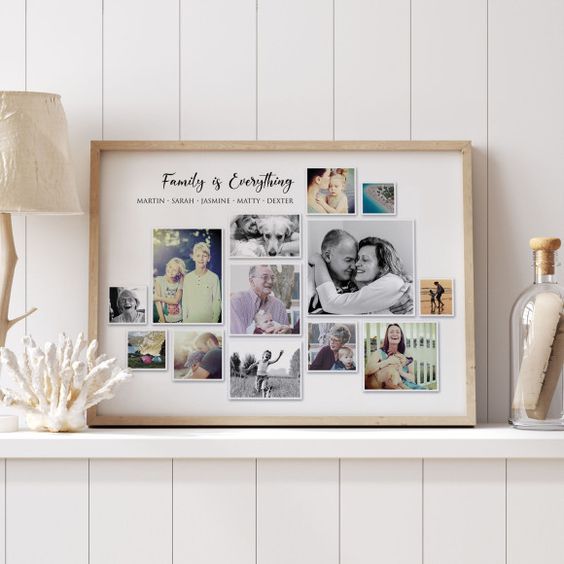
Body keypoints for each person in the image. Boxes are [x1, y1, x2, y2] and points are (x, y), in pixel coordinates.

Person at [310, 236, 413, 315]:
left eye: (365, 259)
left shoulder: (392, 284)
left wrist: (318, 261)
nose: (356, 264)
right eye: (357, 259)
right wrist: (315, 285)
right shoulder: (373, 287)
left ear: (383, 267)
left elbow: (331, 303)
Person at [231, 265, 293, 334]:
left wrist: (287, 332)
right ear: (252, 281)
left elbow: (286, 339)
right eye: (265, 277)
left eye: (272, 278)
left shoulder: (279, 306)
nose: (270, 282)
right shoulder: (236, 302)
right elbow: (238, 340)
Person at [308, 230, 358, 314]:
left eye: (355, 260)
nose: (353, 266)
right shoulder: (311, 284)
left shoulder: (354, 285)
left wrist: (318, 260)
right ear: (328, 256)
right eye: (348, 260)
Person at [365, 324, 423, 390]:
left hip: (408, 385)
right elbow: (367, 371)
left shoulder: (407, 354)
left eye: (397, 332)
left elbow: (412, 378)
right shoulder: (379, 352)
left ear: (401, 336)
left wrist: (401, 372)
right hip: (391, 387)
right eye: (391, 332)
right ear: (387, 336)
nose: (394, 334)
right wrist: (388, 361)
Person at [182, 242, 222, 323]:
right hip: (190, 321)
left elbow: (217, 302)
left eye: (204, 256)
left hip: (208, 321)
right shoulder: (187, 278)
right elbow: (185, 301)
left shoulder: (214, 278)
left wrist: (214, 322)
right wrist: (185, 321)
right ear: (193, 257)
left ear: (209, 258)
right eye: (198, 256)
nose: (201, 259)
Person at [153, 257, 186, 323]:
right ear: (167, 265)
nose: (170, 271)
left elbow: (176, 301)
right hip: (165, 320)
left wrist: (158, 298)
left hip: (179, 319)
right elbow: (157, 302)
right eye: (170, 267)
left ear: (179, 273)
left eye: (174, 270)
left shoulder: (180, 282)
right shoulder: (159, 280)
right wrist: (162, 320)